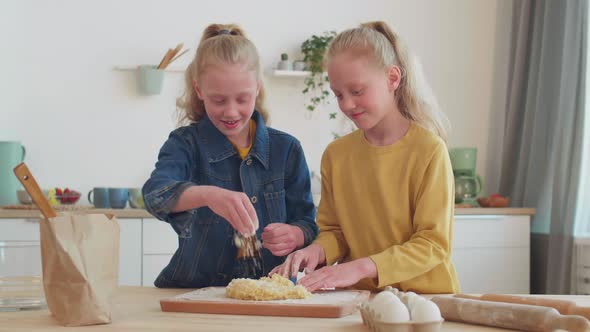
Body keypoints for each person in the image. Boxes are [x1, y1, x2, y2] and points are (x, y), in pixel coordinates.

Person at [271, 21, 460, 294]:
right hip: (361, 298)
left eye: (357, 91)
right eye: (338, 94)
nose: (347, 104)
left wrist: (359, 267)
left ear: (392, 79)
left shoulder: (429, 150)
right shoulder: (336, 155)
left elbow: (433, 244)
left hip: (427, 300)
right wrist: (317, 250)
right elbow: (335, 231)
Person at [143, 23, 318, 288]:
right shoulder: (185, 144)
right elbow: (155, 195)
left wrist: (295, 234)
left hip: (271, 292)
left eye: (242, 99)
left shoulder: (287, 150)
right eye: (219, 100)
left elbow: (308, 223)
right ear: (199, 90)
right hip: (194, 291)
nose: (231, 112)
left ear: (257, 88)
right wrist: (208, 195)